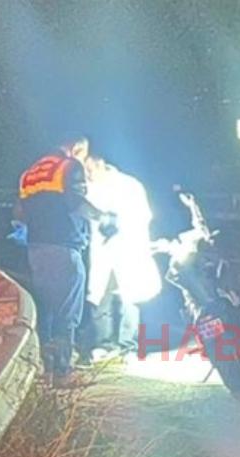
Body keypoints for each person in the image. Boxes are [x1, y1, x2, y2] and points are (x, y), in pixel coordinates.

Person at [17, 136, 113, 387]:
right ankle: (64, 372)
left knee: (46, 311)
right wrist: (103, 218)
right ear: (77, 148)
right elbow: (77, 203)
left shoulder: (30, 173)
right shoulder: (69, 166)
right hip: (64, 248)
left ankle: (44, 371)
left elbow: (19, 212)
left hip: (36, 248)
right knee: (67, 313)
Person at [82, 155, 162, 358]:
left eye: (89, 171)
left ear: (100, 165)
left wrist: (119, 228)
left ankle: (127, 343)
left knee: (130, 296)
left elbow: (143, 216)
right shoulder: (89, 188)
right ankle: (104, 342)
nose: (87, 175)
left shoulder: (129, 185)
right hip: (102, 249)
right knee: (101, 294)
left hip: (128, 246)